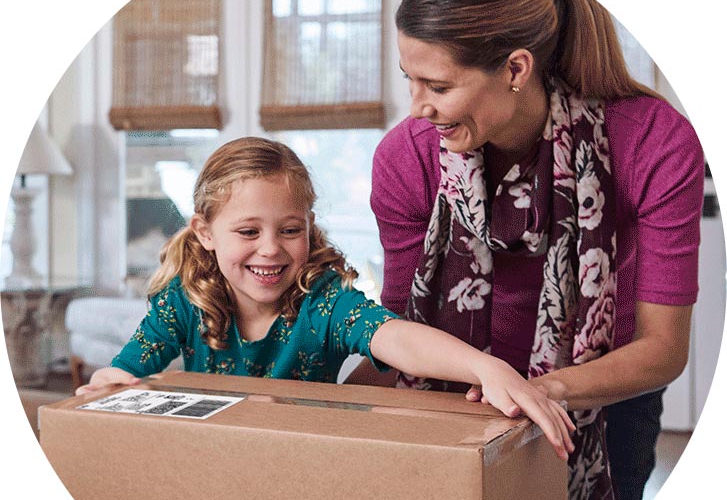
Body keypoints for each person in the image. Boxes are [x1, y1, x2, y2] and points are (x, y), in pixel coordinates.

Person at [346, 0, 704, 500]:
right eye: (410, 80)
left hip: (601, 404)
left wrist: (540, 391)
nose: (417, 109)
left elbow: (663, 346)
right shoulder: (405, 159)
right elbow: (398, 320)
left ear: (515, 69)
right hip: (450, 399)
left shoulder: (653, 141)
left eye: (437, 86)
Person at [76, 136, 574, 458]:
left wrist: (487, 368)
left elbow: (396, 339)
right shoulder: (183, 302)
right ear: (205, 232)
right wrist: (111, 382)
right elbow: (126, 373)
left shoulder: (323, 301)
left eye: (290, 229)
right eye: (248, 231)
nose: (270, 249)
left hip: (309, 464)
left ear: (308, 227)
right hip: (217, 459)